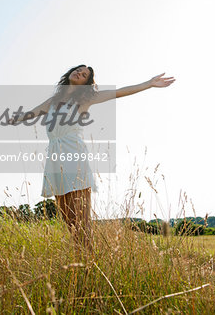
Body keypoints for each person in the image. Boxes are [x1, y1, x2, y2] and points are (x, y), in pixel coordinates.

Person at [9, 65, 175, 254]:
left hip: (74, 154)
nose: (79, 73)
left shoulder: (85, 98)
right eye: (78, 70)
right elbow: (31, 114)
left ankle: (89, 261)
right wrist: (13, 118)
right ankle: (81, 259)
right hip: (54, 156)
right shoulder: (53, 101)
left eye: (84, 74)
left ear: (86, 83)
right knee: (68, 218)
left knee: (81, 218)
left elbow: (119, 92)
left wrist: (149, 84)